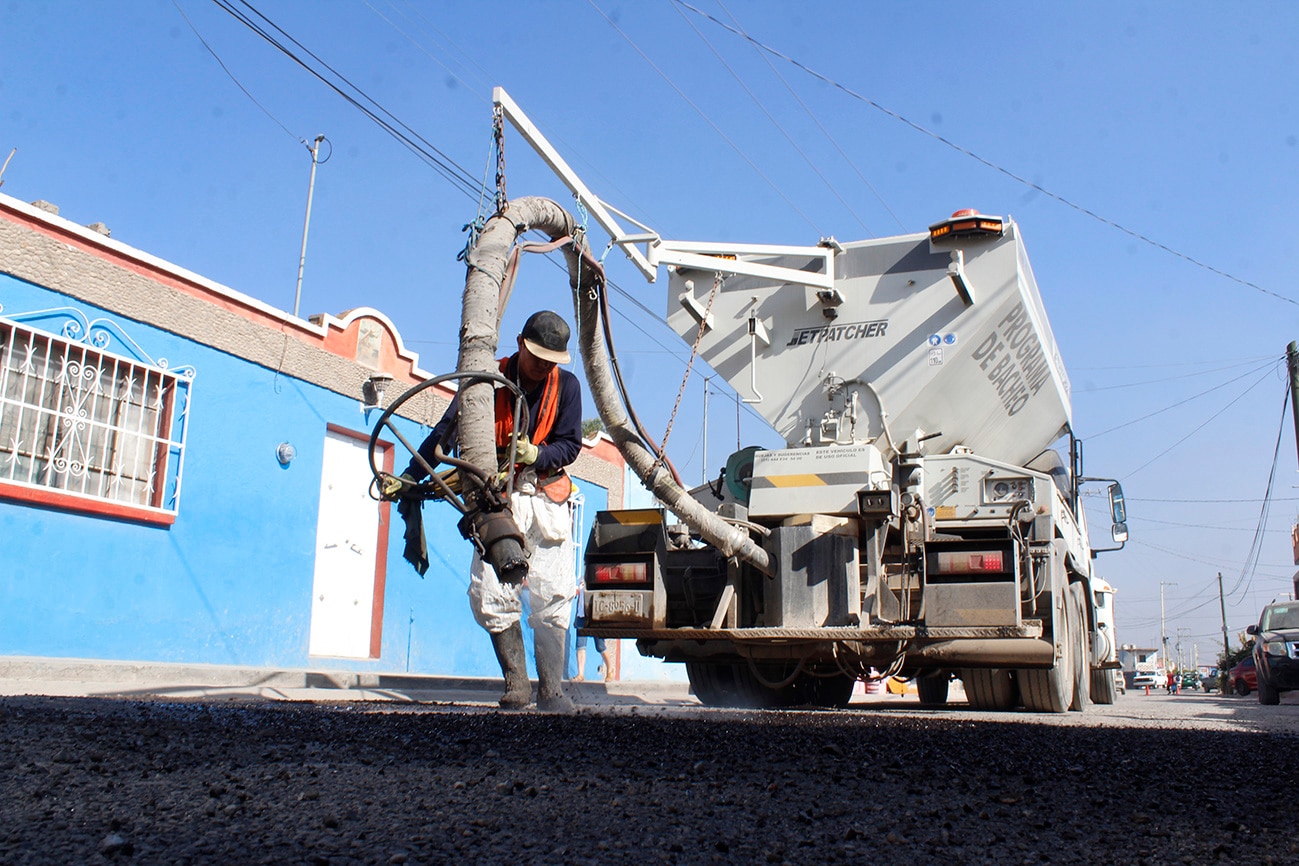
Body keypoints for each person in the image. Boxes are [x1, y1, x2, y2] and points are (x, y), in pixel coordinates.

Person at [392, 310, 583, 711]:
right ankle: (517, 683)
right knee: (491, 589)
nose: (544, 367)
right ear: (519, 344)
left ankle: (552, 689)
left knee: (554, 591)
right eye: (537, 358)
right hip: (498, 496)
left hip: (544, 493)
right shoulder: (484, 380)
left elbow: (570, 444)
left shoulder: (567, 386)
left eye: (551, 360)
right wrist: (411, 475)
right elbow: (444, 431)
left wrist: (539, 453)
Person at [573, 580, 614, 682]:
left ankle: (610, 669)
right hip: (581, 615)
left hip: (595, 616)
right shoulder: (580, 579)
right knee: (580, 645)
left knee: (600, 646)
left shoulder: (595, 577)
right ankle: (581, 674)